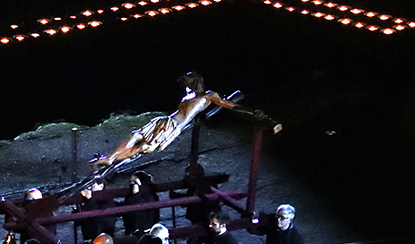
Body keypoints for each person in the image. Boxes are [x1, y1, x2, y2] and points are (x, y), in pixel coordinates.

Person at [90, 72, 281, 171]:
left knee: (143, 146)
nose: (186, 82)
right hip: (165, 120)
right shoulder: (189, 94)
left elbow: (230, 105)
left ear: (196, 79)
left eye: (189, 79)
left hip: (173, 126)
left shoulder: (209, 96)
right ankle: (110, 157)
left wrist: (255, 114)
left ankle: (112, 158)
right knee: (135, 134)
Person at [121, 171, 161, 236]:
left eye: (134, 182)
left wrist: (136, 194)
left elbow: (138, 209)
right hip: (137, 229)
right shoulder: (149, 193)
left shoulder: (149, 196)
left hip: (143, 230)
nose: (131, 184)